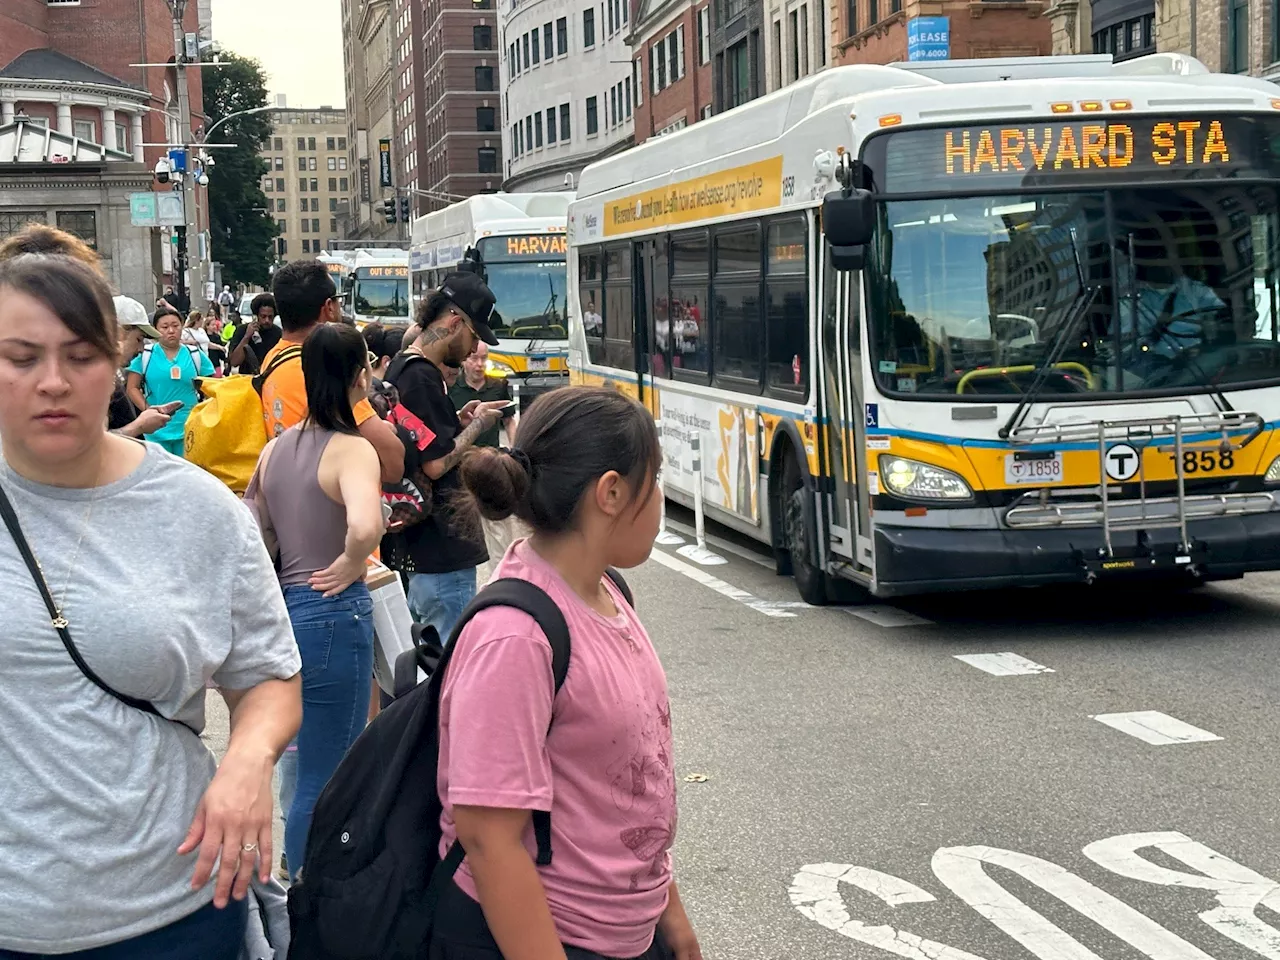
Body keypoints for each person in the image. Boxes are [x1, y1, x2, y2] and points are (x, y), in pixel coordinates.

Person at [0, 253, 301, 957]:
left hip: (172, 906)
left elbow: (268, 676)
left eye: (79, 356)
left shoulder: (196, 511)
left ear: (116, 365)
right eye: (20, 357)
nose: (52, 381)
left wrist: (249, 762)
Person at [430, 386, 701, 960]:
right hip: (553, 938)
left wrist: (668, 914)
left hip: (627, 929)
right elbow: (489, 838)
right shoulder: (516, 637)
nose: (662, 500)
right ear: (611, 492)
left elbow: (623, 789)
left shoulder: (606, 592)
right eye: (655, 481)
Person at [253, 323, 383, 883]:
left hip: (288, 610)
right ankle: (313, 893)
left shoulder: (276, 449)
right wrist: (354, 559)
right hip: (335, 609)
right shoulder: (353, 449)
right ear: (360, 376)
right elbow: (366, 522)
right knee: (331, 772)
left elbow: (255, 536)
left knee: (305, 760)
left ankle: (298, 877)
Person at [383, 274, 508, 642]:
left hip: (417, 550)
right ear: (455, 322)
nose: (474, 350)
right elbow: (435, 463)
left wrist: (456, 420)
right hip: (440, 548)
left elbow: (419, 440)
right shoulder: (422, 376)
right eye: (474, 336)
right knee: (445, 664)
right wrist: (478, 426)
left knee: (421, 658)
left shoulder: (403, 366)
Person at [260, 260, 404, 483]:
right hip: (333, 502)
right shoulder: (323, 364)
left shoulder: (273, 358)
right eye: (338, 301)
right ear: (328, 307)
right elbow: (393, 462)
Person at [125, 307, 214, 456]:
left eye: (175, 325)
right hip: (154, 431)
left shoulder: (195, 354)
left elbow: (212, 386)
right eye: (165, 327)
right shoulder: (145, 354)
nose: (171, 331)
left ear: (182, 326)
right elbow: (132, 388)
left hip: (189, 428)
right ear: (155, 330)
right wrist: (148, 409)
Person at [109, 295, 179, 439]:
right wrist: (139, 426)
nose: (141, 349)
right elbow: (90, 445)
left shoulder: (111, 376)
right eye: (138, 339)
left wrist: (145, 416)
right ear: (117, 333)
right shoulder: (93, 381)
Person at [449, 342, 515, 449]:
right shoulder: (451, 387)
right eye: (474, 359)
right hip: (461, 456)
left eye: (484, 358)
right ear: (463, 360)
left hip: (490, 457)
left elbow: (509, 421)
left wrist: (514, 448)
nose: (479, 364)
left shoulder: (498, 385)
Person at [226, 293, 281, 375]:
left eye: (270, 317)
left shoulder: (277, 332)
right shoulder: (242, 330)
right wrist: (247, 336)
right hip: (246, 380)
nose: (267, 320)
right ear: (256, 316)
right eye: (263, 316)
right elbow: (234, 362)